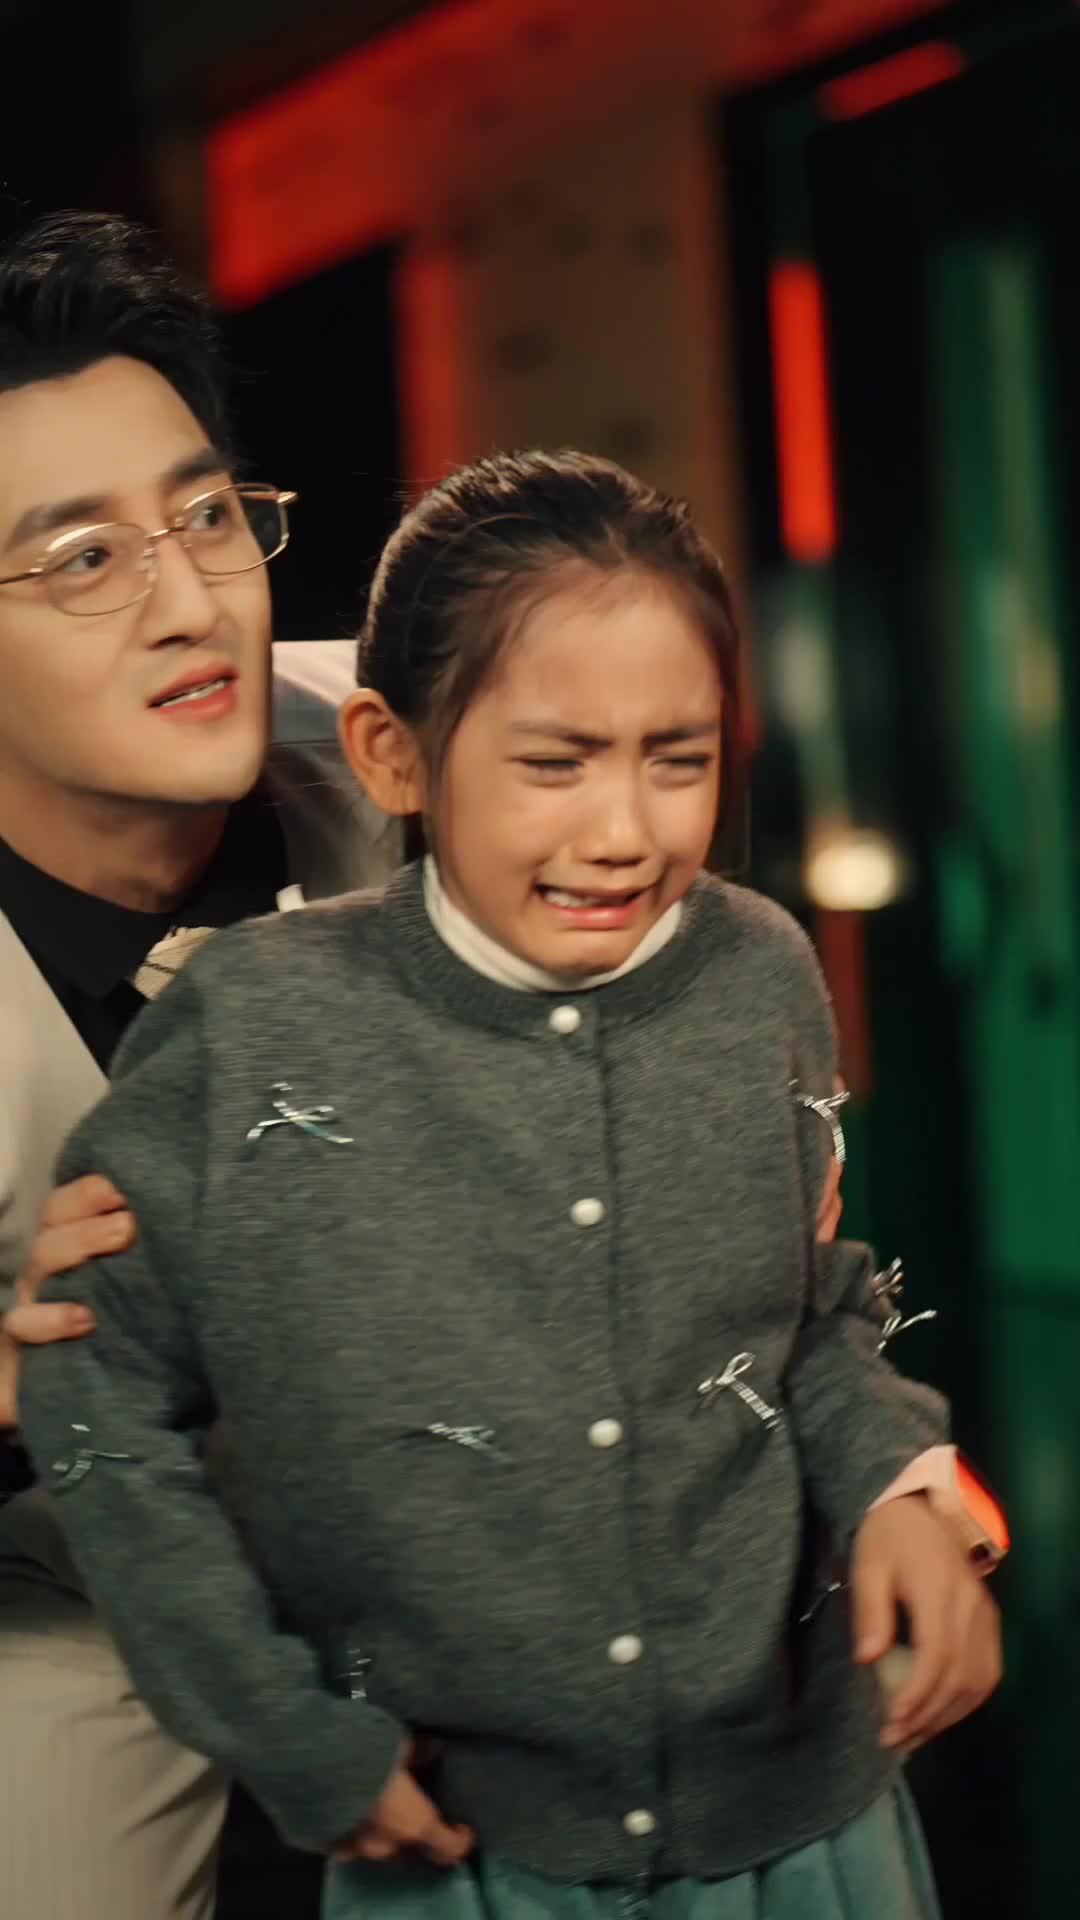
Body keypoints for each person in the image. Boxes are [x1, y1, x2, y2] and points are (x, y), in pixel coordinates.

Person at [19, 450, 1001, 1919]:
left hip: (807, 1819)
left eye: (679, 758)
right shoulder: (257, 1024)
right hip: (454, 1849)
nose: (627, 833)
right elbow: (99, 1399)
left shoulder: (760, 974)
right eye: (556, 762)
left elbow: (805, 1314)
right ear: (390, 754)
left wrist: (901, 1490)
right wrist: (283, 1730)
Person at [0, 208, 398, 1920]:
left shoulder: (435, 750)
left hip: (475, 1576)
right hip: (63, 1607)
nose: (191, 603)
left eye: (210, 515)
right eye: (83, 558)